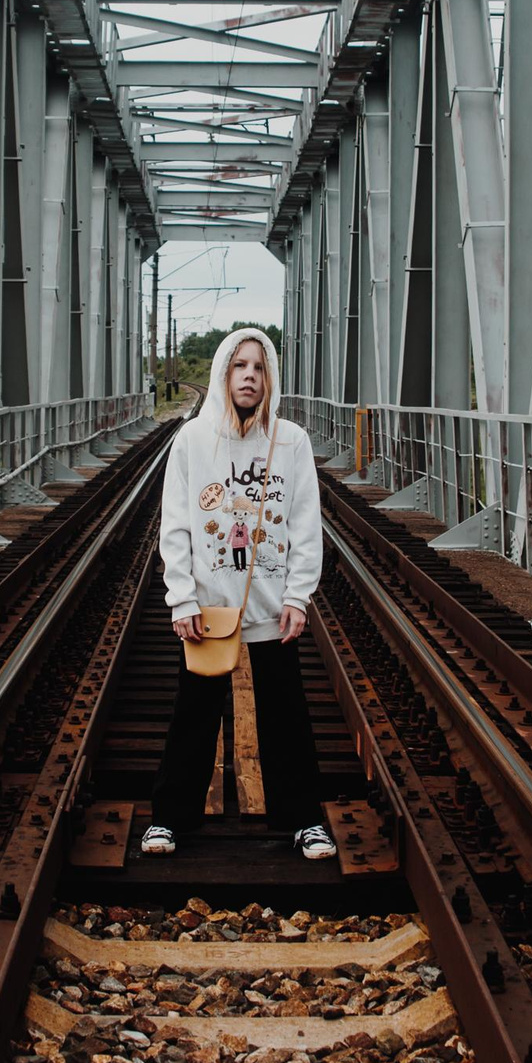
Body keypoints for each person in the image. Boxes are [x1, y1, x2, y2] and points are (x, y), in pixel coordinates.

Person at [140, 327, 333, 861]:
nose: (250, 376)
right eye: (239, 366)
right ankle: (170, 819)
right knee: (195, 711)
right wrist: (180, 598)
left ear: (270, 377)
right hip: (210, 604)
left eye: (259, 367)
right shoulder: (193, 440)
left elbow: (305, 523)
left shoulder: (290, 441)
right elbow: (175, 523)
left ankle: (304, 821)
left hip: (272, 605)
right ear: (223, 372)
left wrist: (298, 597)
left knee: (285, 713)